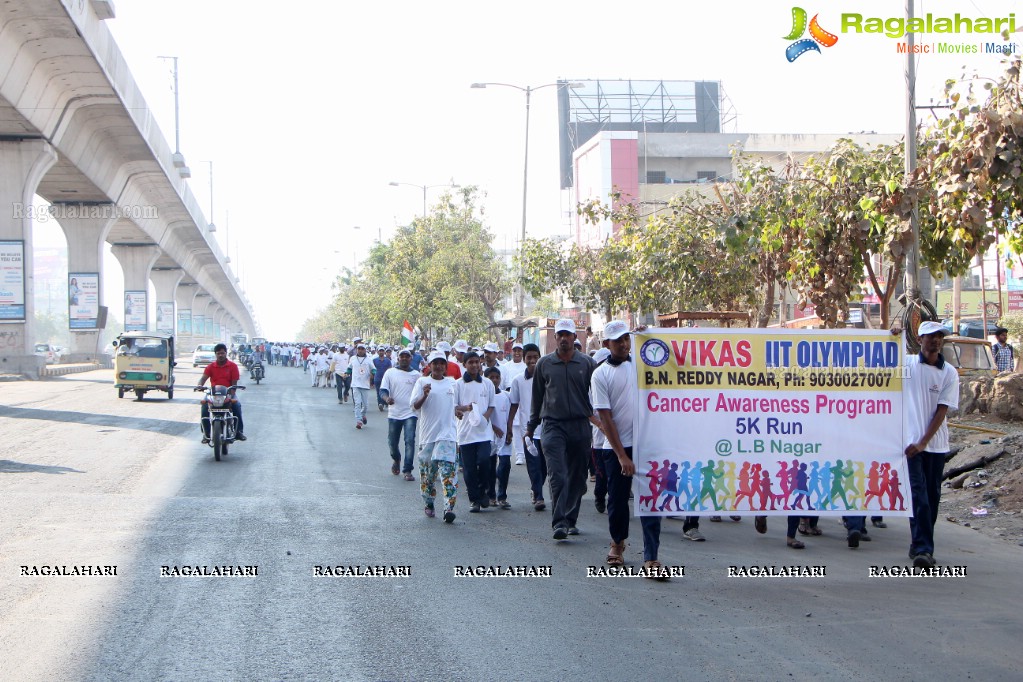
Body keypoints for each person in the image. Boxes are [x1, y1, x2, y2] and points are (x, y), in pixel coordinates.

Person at [593, 320, 669, 579]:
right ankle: (617, 542)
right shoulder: (600, 374)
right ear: (607, 344)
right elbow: (606, 417)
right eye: (618, 340)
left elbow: (669, 358)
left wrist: (651, 334)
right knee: (617, 500)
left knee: (650, 501)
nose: (624, 344)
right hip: (615, 448)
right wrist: (621, 455)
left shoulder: (642, 365)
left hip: (646, 444)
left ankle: (651, 557)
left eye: (627, 338)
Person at [526, 318, 596, 540]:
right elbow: (537, 398)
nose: (564, 339)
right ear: (555, 338)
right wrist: (531, 426)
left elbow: (603, 389)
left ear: (575, 338)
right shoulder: (544, 364)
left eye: (568, 335)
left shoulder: (587, 364)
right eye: (560, 335)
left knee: (577, 478)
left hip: (580, 426)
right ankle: (559, 522)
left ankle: (570, 518)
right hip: (553, 426)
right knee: (558, 475)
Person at [904, 320, 959, 569]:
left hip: (935, 445)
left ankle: (919, 542)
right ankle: (925, 549)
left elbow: (942, 411)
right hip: (910, 445)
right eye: (930, 336)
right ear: (920, 339)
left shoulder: (949, 373)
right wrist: (889, 338)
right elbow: (878, 370)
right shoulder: (906, 365)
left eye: (939, 336)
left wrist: (924, 442)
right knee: (918, 496)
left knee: (932, 498)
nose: (935, 340)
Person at [411, 351, 460, 522]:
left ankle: (449, 508)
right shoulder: (422, 382)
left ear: (445, 365)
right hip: (428, 436)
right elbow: (414, 407)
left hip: (447, 435)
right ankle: (429, 503)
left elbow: (457, 406)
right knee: (428, 476)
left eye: (441, 363)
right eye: (435, 363)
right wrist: (424, 395)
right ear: (429, 366)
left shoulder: (453, 383)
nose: (438, 366)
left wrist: (463, 411)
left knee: (448, 474)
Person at [454, 351, 496, 513]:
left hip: (484, 432)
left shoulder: (487, 383)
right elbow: (454, 406)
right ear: (464, 365)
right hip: (465, 433)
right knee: (469, 468)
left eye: (477, 362)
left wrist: (485, 418)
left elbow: (491, 405)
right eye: (470, 362)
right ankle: (474, 500)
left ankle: (482, 490)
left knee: (485, 461)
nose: (474, 365)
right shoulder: (458, 384)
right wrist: (465, 408)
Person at [508, 343, 546, 510]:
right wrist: (509, 426)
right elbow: (514, 404)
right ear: (524, 359)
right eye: (529, 357)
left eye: (535, 357)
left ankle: (535, 488)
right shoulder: (518, 380)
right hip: (528, 430)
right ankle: (538, 495)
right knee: (533, 465)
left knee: (544, 467)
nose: (532, 361)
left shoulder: (547, 377)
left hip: (547, 429)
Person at [380, 347, 420, 480]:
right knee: (392, 442)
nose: (404, 358)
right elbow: (383, 391)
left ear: (410, 359)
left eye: (406, 356)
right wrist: (387, 399)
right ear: (398, 358)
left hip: (410, 413)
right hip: (394, 413)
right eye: (401, 356)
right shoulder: (390, 373)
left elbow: (421, 394)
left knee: (409, 440)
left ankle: (407, 470)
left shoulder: (416, 375)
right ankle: (396, 459)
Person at [195, 343, 246, 442]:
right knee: (204, 406)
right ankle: (206, 434)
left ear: (226, 353)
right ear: (215, 354)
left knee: (237, 406)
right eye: (218, 353)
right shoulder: (210, 367)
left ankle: (239, 432)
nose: (220, 355)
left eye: (222, 353)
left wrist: (230, 396)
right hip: (213, 394)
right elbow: (203, 379)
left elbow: (234, 384)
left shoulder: (233, 366)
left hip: (228, 393)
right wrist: (200, 385)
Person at [486, 366, 513, 508]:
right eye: (491, 378)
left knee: (505, 465)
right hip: (490, 437)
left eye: (497, 377)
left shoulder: (505, 396)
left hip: (504, 436)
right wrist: (493, 427)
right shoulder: (484, 396)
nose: (495, 380)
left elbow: (510, 415)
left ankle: (502, 496)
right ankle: (491, 494)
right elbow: (482, 416)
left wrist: (509, 431)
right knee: (490, 467)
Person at [348, 343, 374, 429]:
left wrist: (374, 374)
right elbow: (349, 368)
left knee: (365, 405)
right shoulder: (353, 358)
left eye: (362, 349)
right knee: (357, 403)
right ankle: (359, 421)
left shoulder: (368, 359)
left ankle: (363, 415)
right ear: (357, 350)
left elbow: (373, 369)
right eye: (359, 349)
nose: (360, 350)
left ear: (365, 350)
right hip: (355, 384)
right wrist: (346, 373)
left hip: (365, 384)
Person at [373, 346, 393, 411]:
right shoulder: (374, 360)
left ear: (384, 352)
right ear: (378, 352)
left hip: (386, 379)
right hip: (377, 378)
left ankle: (385, 402)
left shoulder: (388, 360)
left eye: (382, 351)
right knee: (378, 392)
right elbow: (372, 369)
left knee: (385, 391)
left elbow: (390, 369)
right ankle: (380, 404)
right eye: (380, 351)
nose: (381, 352)